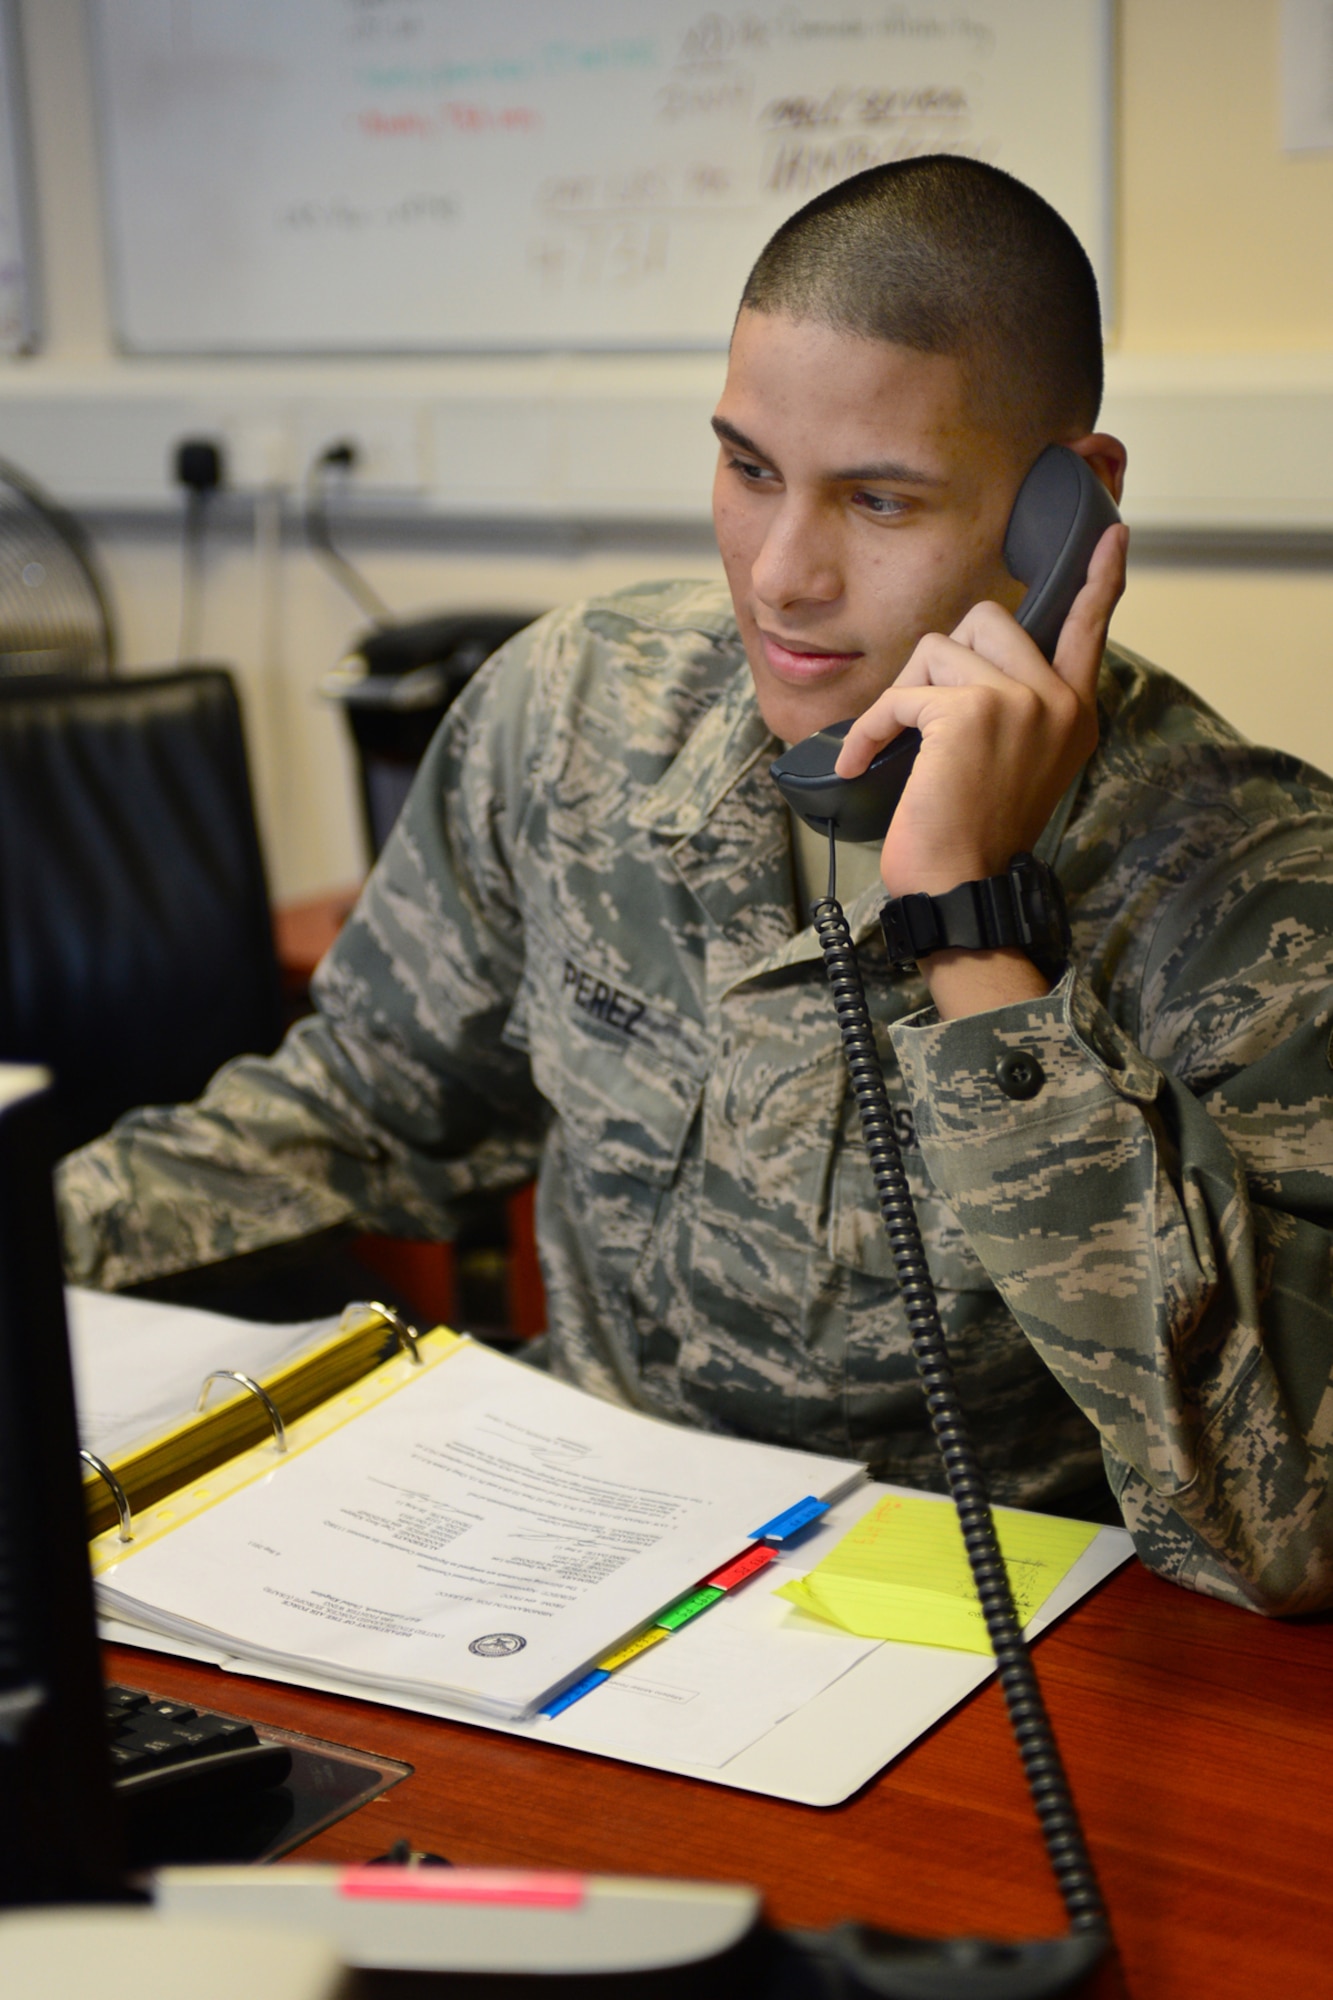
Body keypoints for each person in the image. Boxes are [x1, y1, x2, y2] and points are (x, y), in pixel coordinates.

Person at [59, 158, 1333, 1618]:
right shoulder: (576, 710)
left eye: (878, 499)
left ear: (1069, 507)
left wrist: (971, 925)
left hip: (975, 1644)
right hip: (560, 1568)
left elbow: (1285, 1530)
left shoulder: (1256, 891)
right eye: (748, 470)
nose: (781, 576)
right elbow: (367, 1106)